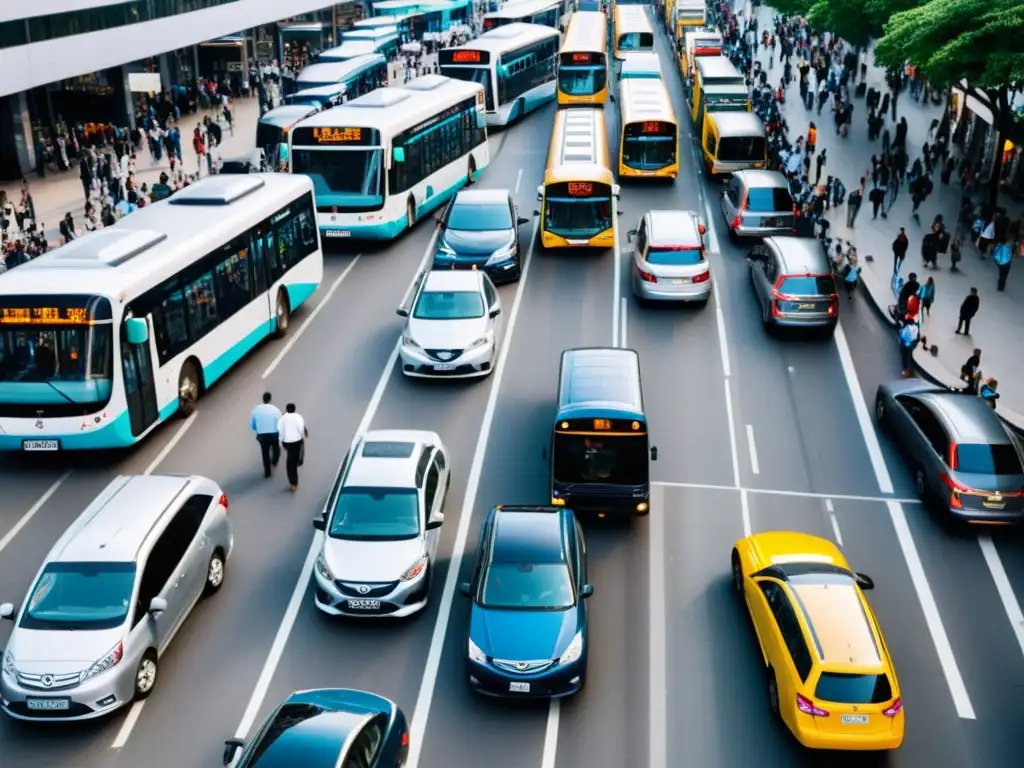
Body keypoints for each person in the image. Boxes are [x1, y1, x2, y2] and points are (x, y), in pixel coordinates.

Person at [250, 391, 282, 478]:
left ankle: (267, 472)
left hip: (262, 436)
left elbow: (252, 425)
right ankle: (274, 462)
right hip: (273, 434)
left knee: (265, 453)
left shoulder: (255, 410)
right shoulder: (276, 410)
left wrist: (259, 430)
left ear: (263, 399)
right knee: (276, 450)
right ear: (270, 400)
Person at [278, 403, 308, 492]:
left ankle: (293, 483)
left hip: (288, 443)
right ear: (294, 410)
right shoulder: (298, 417)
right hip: (297, 442)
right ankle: (298, 461)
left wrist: (281, 442)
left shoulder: (283, 418)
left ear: (287, 410)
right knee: (295, 458)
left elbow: (280, 431)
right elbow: (301, 428)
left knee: (290, 464)